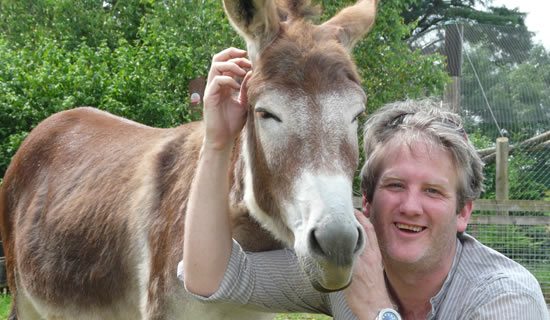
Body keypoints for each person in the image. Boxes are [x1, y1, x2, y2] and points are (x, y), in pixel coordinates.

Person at [179, 48, 549, 320]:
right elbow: (209, 278)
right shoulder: (343, 268)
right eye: (395, 186)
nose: (410, 206)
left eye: (433, 191)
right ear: (367, 203)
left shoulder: (506, 299)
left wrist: (377, 310)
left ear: (463, 212)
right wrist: (217, 142)